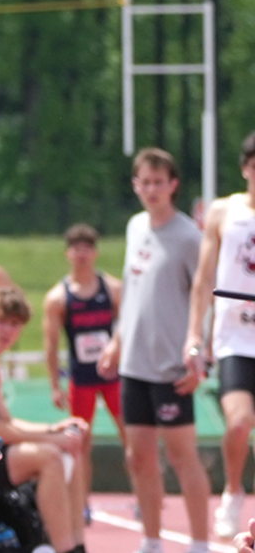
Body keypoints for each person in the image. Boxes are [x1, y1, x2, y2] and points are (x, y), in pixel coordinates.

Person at [104, 146, 210, 553]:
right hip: (134, 364)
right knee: (138, 458)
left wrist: (200, 354)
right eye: (144, 182)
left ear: (173, 185)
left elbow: (205, 300)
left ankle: (199, 542)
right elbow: (132, 291)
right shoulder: (134, 228)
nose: (151, 189)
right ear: (135, 185)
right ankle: (151, 540)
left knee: (183, 457)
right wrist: (116, 341)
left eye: (158, 182)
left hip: (171, 365)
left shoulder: (188, 237)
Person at [0, 286, 89, 553]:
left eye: (14, 324)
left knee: (71, 448)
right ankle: (63, 547)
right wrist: (50, 438)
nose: (7, 331)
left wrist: (53, 428)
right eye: (1, 321)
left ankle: (77, 544)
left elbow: (8, 421)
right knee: (48, 455)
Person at [193, 132, 255, 539]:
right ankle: (233, 490)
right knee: (239, 421)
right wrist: (193, 337)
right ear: (247, 167)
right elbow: (203, 280)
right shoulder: (224, 212)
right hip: (235, 339)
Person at [43, 222, 122, 496]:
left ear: (95, 253)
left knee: (132, 436)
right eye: (76, 249)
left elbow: (129, 326)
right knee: (81, 442)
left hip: (115, 377)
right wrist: (55, 384)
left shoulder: (112, 289)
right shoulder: (57, 298)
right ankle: (82, 501)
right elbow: (51, 345)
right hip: (82, 379)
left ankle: (145, 497)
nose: (82, 255)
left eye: (87, 249)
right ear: (68, 254)